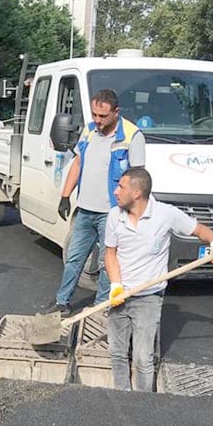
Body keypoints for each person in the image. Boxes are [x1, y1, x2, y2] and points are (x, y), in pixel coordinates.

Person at [104, 167, 213, 392]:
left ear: (137, 193)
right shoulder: (115, 216)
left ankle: (144, 402)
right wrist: (115, 285)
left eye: (121, 187)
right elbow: (110, 253)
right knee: (117, 353)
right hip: (119, 296)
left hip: (148, 298)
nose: (115, 191)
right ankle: (122, 397)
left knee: (143, 359)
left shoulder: (166, 214)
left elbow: (199, 229)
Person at [46, 89, 146, 315]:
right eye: (94, 115)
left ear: (116, 112)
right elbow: (78, 164)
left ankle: (100, 307)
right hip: (85, 210)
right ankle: (62, 302)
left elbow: (138, 179)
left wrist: (133, 211)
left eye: (103, 116)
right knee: (74, 258)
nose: (98, 121)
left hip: (112, 213)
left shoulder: (131, 136)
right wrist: (65, 196)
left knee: (105, 264)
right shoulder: (89, 132)